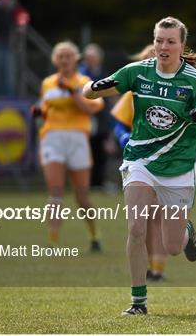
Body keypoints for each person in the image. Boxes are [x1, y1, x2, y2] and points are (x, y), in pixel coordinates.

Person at [83, 16, 196, 315]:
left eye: (170, 41)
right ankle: (138, 302)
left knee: (173, 246)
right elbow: (89, 92)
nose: (163, 46)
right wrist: (95, 86)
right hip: (140, 161)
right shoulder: (137, 72)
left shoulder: (193, 80)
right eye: (159, 40)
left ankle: (186, 231)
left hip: (178, 167)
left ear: (181, 45)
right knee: (136, 228)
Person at [33, 41, 104, 251]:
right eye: (60, 56)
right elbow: (45, 109)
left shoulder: (84, 82)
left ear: (75, 59)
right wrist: (38, 113)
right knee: (55, 192)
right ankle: (53, 242)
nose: (64, 60)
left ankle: (94, 235)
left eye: (68, 56)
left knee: (82, 196)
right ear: (55, 60)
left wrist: (73, 92)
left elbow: (92, 109)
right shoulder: (47, 83)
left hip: (77, 138)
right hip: (52, 138)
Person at [111, 44, 169, 282]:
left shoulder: (174, 89)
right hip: (139, 159)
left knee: (158, 216)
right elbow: (118, 123)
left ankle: (158, 269)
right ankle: (147, 268)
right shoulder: (134, 91)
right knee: (140, 220)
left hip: (165, 159)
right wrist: (124, 137)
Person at [79, 43, 111, 189]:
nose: (90, 60)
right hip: (84, 117)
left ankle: (99, 182)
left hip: (101, 119)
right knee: (86, 151)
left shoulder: (104, 75)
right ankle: (86, 183)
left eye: (93, 57)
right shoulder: (80, 75)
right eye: (88, 58)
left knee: (100, 151)